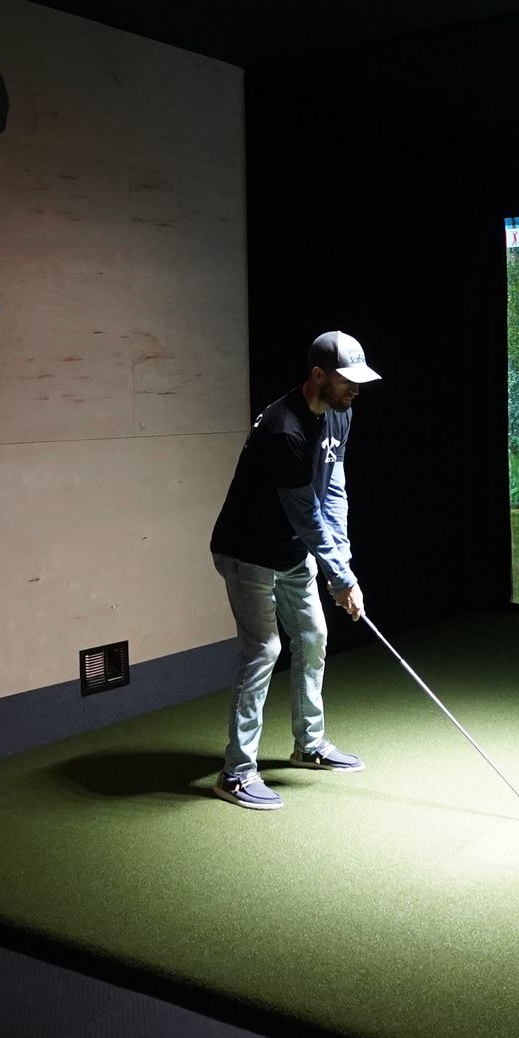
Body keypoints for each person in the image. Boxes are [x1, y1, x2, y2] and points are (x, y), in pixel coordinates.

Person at [208, 330, 380, 810]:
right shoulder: (284, 430)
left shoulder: (341, 413)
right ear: (318, 374)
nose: (355, 390)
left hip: (292, 552)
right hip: (248, 553)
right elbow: (306, 514)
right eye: (346, 380)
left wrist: (342, 566)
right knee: (264, 649)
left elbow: (335, 490)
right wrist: (341, 578)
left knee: (312, 638)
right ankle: (236, 773)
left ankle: (310, 746)